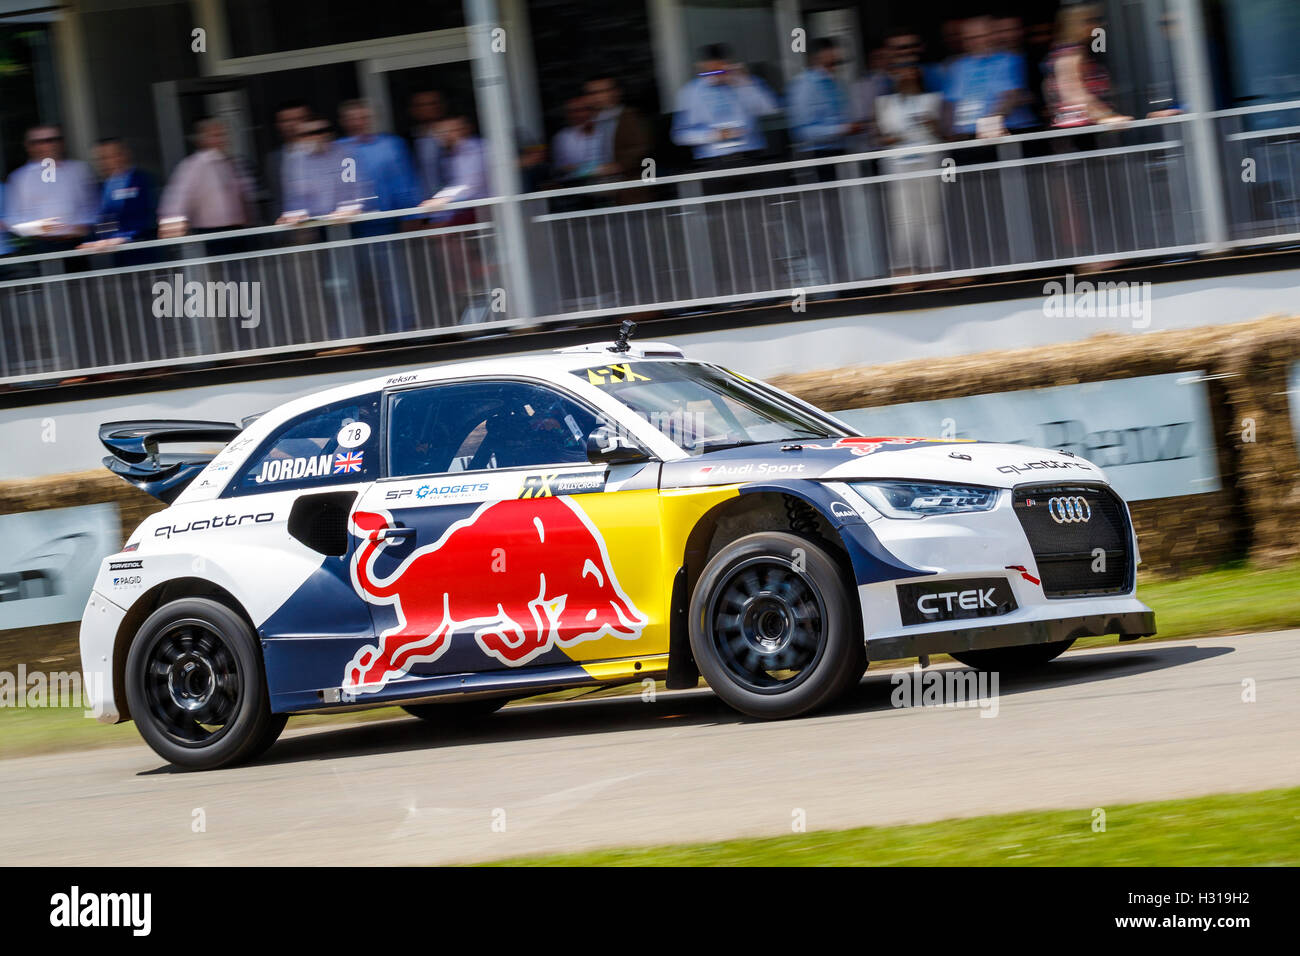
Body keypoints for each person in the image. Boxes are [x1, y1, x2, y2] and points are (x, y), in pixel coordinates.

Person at [876, 57, 948, 277]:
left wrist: (930, 123)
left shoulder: (933, 99)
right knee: (903, 218)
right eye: (900, 71)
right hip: (899, 164)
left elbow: (944, 134)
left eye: (910, 71)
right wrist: (899, 136)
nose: (906, 76)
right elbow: (880, 137)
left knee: (931, 217)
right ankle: (905, 271)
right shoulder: (885, 103)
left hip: (929, 161)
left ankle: (933, 269)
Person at [670, 43, 779, 166]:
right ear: (701, 68)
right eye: (709, 72)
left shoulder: (748, 83)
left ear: (729, 65)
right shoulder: (690, 92)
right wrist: (713, 135)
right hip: (712, 161)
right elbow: (679, 135)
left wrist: (745, 84)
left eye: (720, 71)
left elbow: (771, 109)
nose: (715, 76)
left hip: (752, 156)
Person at [4, 125, 98, 253]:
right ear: (29, 146)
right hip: (41, 246)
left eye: (53, 139)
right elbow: (12, 220)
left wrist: (83, 226)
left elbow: (94, 208)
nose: (48, 145)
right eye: (38, 142)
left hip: (79, 244)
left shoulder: (79, 170)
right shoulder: (20, 178)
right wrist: (37, 227)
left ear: (61, 142)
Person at [157, 118, 255, 238]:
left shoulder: (232, 163)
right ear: (202, 139)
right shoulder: (193, 165)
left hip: (240, 229)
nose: (221, 139)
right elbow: (179, 196)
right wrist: (172, 220)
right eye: (215, 135)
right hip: (211, 233)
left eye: (223, 134)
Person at [336, 98, 421, 227]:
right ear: (343, 122)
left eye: (364, 117)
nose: (359, 122)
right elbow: (344, 184)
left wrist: (411, 216)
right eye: (353, 119)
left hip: (390, 218)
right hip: (352, 223)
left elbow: (404, 183)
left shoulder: (391, 144)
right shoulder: (337, 149)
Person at [787, 37, 864, 156]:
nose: (834, 69)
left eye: (837, 63)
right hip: (819, 156)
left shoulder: (837, 84)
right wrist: (841, 129)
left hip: (841, 151)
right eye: (829, 64)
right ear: (814, 61)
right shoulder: (804, 86)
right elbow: (801, 132)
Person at [80, 138, 156, 249]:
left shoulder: (141, 180)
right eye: (101, 159)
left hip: (143, 250)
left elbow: (146, 219)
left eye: (110, 157)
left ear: (124, 155)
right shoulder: (100, 187)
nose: (105, 163)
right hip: (111, 254)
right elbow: (98, 220)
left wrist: (121, 238)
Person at [585, 74, 650, 183]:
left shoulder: (632, 117)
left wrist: (618, 166)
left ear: (616, 92)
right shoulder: (589, 121)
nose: (598, 97)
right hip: (593, 185)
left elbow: (643, 150)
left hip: (628, 185)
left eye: (604, 91)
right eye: (593, 93)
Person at [265, 100, 310, 221]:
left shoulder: (323, 153)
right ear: (278, 125)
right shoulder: (274, 159)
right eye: (287, 121)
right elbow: (277, 198)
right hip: (290, 226)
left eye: (299, 118)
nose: (293, 124)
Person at [552, 94, 605, 183]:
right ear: (568, 114)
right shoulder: (562, 138)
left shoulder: (603, 131)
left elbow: (611, 162)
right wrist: (595, 170)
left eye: (584, 109)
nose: (580, 114)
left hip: (606, 183)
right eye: (574, 111)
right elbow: (563, 169)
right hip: (575, 186)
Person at [409, 90, 447, 199]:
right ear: (413, 110)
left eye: (432, 104)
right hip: (422, 203)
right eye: (422, 105)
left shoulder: (453, 135)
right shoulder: (409, 139)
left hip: (450, 202)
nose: (428, 108)